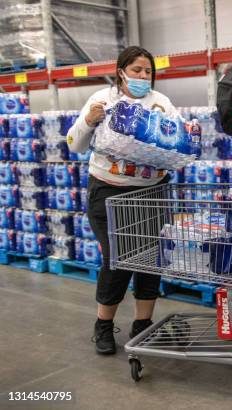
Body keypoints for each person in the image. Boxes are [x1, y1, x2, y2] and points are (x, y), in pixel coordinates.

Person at [67, 46, 178, 355]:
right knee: (117, 259)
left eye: (148, 72)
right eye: (137, 70)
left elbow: (177, 142)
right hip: (109, 192)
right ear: (121, 71)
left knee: (150, 258)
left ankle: (143, 324)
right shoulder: (102, 100)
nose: (144, 76)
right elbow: (74, 145)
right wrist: (88, 121)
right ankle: (103, 325)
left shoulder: (161, 103)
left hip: (151, 192)